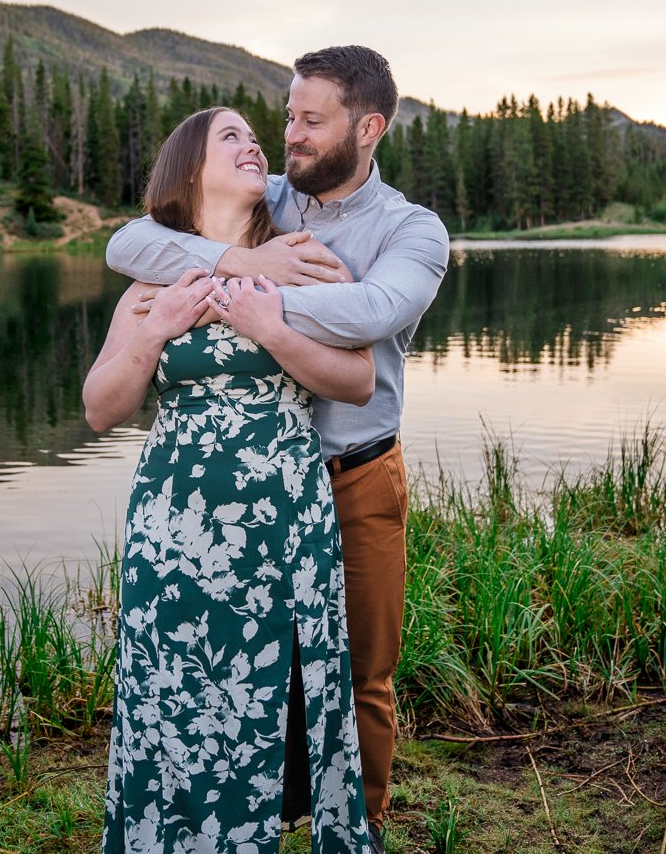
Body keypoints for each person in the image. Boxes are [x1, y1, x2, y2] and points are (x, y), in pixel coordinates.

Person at [106, 46, 450, 852]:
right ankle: (242, 819)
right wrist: (241, 259)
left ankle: (357, 822)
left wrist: (249, 300)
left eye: (310, 119)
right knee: (236, 669)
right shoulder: (271, 200)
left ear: (368, 128)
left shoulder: (411, 229)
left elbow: (368, 314)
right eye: (287, 114)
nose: (287, 133)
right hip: (246, 490)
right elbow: (131, 244)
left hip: (353, 475)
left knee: (357, 672)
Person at [85, 107, 376, 853]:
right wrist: (155, 330)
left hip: (282, 518)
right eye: (232, 137)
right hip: (175, 525)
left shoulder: (304, 259)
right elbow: (99, 407)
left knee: (272, 686)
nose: (255, 145)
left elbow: (359, 379)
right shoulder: (152, 281)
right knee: (175, 690)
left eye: (257, 135)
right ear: (190, 168)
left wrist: (271, 326)